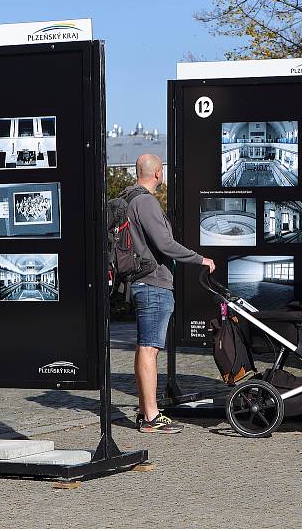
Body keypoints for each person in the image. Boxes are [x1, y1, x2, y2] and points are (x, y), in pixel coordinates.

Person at [120, 154, 216, 433]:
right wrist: (200, 259)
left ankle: (145, 410)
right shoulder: (146, 201)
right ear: (158, 174)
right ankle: (151, 417)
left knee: (145, 347)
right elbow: (165, 244)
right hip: (153, 284)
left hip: (139, 282)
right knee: (149, 348)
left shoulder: (126, 200)